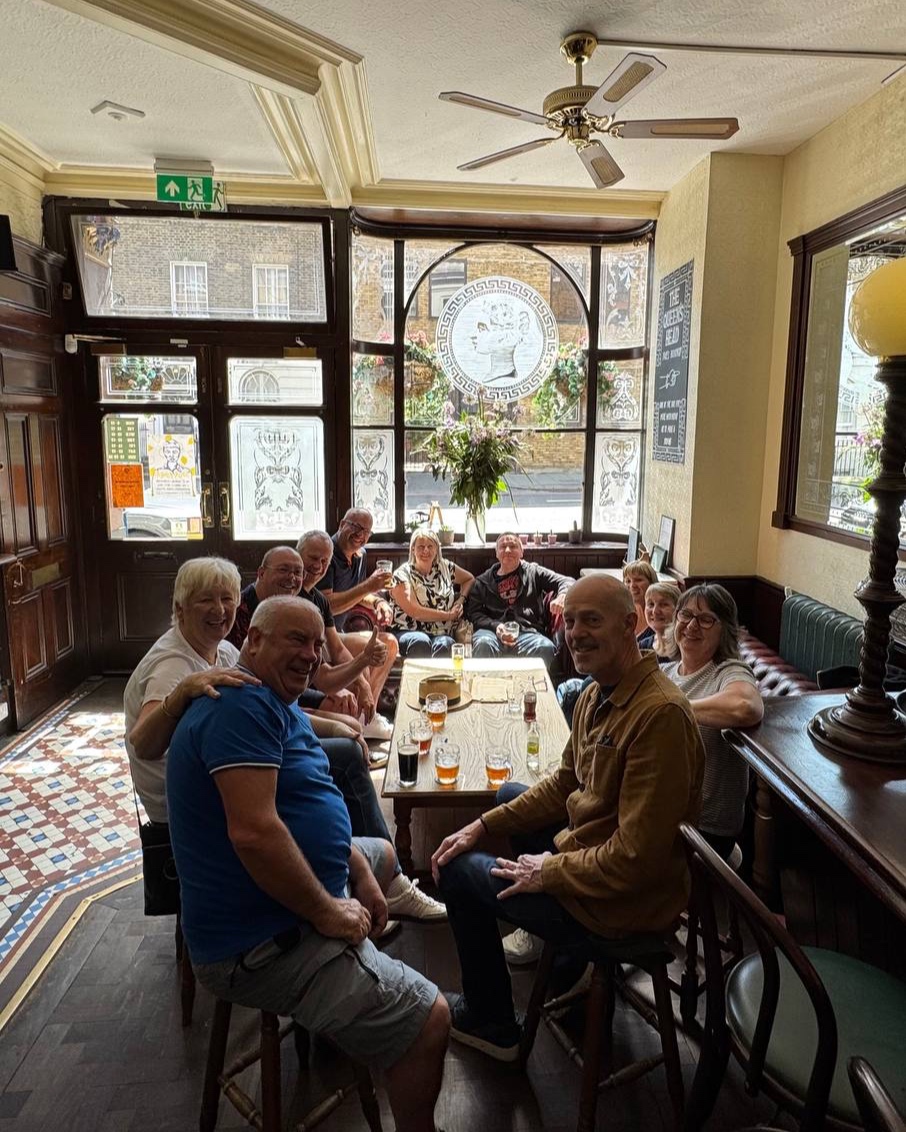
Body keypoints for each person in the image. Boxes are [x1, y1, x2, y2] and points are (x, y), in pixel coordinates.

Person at [166, 596, 449, 1132]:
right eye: (295, 639)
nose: (310, 654)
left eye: (316, 643)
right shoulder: (240, 710)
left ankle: (352, 995)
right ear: (254, 641)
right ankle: (366, 1008)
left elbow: (294, 808)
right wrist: (328, 911)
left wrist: (356, 869)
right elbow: (254, 833)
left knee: (383, 853)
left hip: (288, 896)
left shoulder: (276, 699)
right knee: (431, 1021)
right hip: (256, 941)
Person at [431, 574, 705, 1061]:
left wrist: (547, 871)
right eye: (571, 620)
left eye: (592, 621)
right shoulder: (597, 693)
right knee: (506, 797)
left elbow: (636, 860)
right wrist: (484, 826)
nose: (576, 632)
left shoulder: (659, 717)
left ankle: (493, 1022)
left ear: (630, 624)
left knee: (457, 870)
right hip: (593, 862)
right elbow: (564, 784)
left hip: (621, 904)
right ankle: (569, 959)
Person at [226, 544, 397, 833]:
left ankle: (347, 826)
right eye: (284, 570)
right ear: (261, 573)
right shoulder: (241, 616)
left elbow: (326, 674)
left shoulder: (305, 604)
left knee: (349, 728)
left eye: (298, 572)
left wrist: (363, 666)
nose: (294, 578)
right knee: (347, 738)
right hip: (264, 713)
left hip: (283, 706)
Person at [124, 556, 258, 825]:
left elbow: (263, 700)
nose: (219, 609)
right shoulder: (173, 664)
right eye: (206, 599)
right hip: (181, 803)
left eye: (227, 598)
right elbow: (142, 743)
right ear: (180, 608)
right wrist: (183, 691)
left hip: (209, 775)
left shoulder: (225, 651)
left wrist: (333, 723)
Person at [662, 583, 764, 860]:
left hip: (703, 828)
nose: (692, 625)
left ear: (725, 629)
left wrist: (671, 708)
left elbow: (745, 706)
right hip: (660, 814)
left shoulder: (727, 671)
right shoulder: (664, 672)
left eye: (706, 619)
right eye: (685, 615)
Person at [316, 508, 399, 740]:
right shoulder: (327, 555)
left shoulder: (359, 555)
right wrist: (368, 587)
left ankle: (365, 718)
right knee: (371, 649)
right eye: (356, 527)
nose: (360, 535)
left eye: (366, 532)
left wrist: (377, 602)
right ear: (343, 524)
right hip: (321, 635)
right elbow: (328, 605)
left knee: (389, 644)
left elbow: (356, 594)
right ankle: (364, 719)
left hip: (337, 632)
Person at [465, 532, 572, 668]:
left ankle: (535, 688)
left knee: (545, 647)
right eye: (503, 547)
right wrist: (496, 626)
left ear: (521, 552)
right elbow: (474, 614)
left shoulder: (533, 572)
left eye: (513, 546)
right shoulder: (482, 581)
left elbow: (566, 581)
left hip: (527, 633)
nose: (508, 550)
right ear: (496, 553)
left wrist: (562, 596)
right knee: (483, 644)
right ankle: (484, 687)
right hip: (491, 633)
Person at [388, 528, 474, 657]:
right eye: (421, 547)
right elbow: (416, 612)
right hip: (408, 631)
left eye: (430, 546)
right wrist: (449, 616)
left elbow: (469, 579)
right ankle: (416, 677)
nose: (426, 551)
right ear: (413, 549)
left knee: (446, 643)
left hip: (442, 632)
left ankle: (441, 677)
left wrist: (460, 600)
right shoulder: (401, 575)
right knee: (421, 641)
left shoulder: (446, 567)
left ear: (437, 549)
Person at [623, 558, 658, 648]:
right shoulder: (622, 612)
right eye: (628, 581)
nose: (632, 585)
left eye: (638, 580)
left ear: (651, 583)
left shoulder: (658, 613)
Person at [645, 581, 681, 660]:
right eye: (651, 604)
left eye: (664, 604)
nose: (655, 611)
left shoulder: (683, 649)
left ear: (677, 610)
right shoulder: (643, 646)